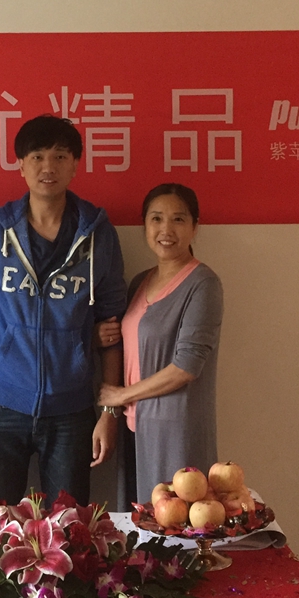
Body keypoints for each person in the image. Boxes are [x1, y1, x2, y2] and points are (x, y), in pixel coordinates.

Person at [0, 114, 128, 513]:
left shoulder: (98, 234)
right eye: (37, 156)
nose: (48, 167)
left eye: (60, 156)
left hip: (70, 410)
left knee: (69, 529)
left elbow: (112, 325)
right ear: (21, 165)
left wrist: (109, 411)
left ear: (75, 164)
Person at [97, 183, 223, 508]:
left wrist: (121, 395)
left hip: (175, 430)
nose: (166, 230)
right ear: (145, 225)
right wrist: (102, 335)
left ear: (195, 227)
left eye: (178, 219)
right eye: (156, 219)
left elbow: (186, 367)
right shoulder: (140, 282)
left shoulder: (203, 284)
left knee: (176, 521)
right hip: (134, 426)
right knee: (139, 522)